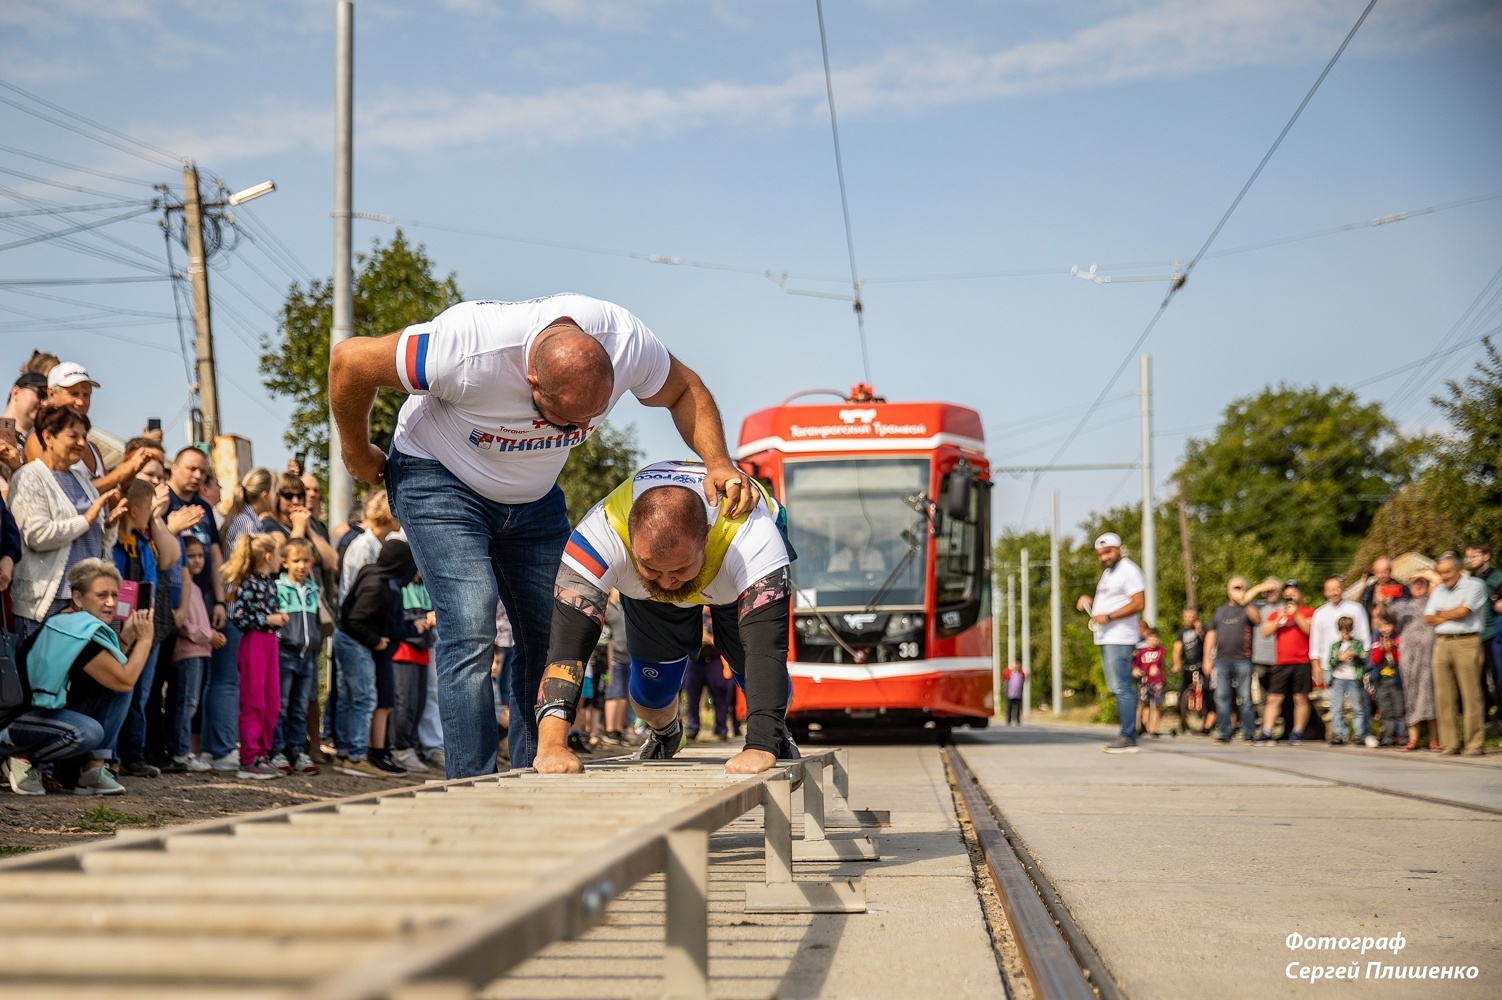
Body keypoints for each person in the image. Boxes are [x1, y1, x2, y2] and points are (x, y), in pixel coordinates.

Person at [329, 294, 756, 778]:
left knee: (550, 634)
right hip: (439, 479)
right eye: (566, 419)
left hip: (533, 499)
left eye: (589, 419)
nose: (578, 431)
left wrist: (718, 461)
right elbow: (351, 360)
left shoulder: (626, 340)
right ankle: (474, 785)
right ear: (531, 379)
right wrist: (357, 451)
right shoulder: (466, 348)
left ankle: (539, 769)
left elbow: (685, 389)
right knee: (472, 622)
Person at [532, 460, 793, 776]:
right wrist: (551, 746)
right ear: (628, 541)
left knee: (756, 675)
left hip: (731, 573)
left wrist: (762, 745)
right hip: (648, 594)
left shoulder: (753, 535)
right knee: (650, 697)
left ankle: (775, 728)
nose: (669, 583)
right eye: (652, 568)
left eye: (680, 569)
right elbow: (567, 647)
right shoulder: (599, 533)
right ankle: (667, 731)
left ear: (707, 536)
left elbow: (767, 651)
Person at [0, 559, 154, 796]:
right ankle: (21, 760)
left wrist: (129, 637)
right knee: (88, 730)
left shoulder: (78, 623)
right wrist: (145, 640)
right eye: (102, 595)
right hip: (14, 725)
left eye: (115, 594)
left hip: (45, 719)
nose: (111, 602)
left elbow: (111, 676)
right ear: (78, 598)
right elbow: (125, 678)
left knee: (117, 692)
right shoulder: (74, 630)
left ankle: (92, 771)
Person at [8, 404, 125, 638]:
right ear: (48, 437)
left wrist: (109, 525)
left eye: (84, 436)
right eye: (73, 436)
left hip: (85, 600)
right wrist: (87, 518)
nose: (82, 443)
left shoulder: (82, 479)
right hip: (49, 602)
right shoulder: (29, 477)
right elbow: (37, 536)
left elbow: (99, 540)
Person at [334, 537, 426, 777]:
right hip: (359, 644)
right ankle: (358, 756)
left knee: (351, 698)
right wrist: (375, 640)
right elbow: (354, 619)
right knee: (365, 698)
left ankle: (347, 752)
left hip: (355, 642)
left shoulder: (374, 574)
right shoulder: (379, 586)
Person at [111, 478, 184, 777]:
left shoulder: (144, 544)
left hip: (143, 625)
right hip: (115, 625)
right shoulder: (110, 542)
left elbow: (154, 577)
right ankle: (109, 754)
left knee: (140, 693)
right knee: (114, 690)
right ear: (134, 509)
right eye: (149, 508)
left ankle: (134, 754)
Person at [22, 363, 152, 493]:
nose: (81, 402)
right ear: (51, 394)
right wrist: (118, 474)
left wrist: (125, 482)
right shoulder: (39, 441)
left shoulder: (92, 449)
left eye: (86, 395)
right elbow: (59, 493)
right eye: (74, 394)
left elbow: (108, 501)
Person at [1075, 532, 1146, 753]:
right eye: (1100, 554)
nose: (1104, 557)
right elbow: (1111, 600)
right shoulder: (1109, 574)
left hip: (1120, 638)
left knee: (1122, 687)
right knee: (1117, 688)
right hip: (1107, 638)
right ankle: (1127, 733)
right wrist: (1091, 602)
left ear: (1119, 548)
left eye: (1108, 551)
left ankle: (1128, 736)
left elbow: (1138, 603)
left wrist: (1109, 617)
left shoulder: (1128, 570)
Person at [224, 533, 286, 780]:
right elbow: (239, 617)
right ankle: (248, 759)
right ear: (269, 556)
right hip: (253, 643)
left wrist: (276, 618)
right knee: (254, 702)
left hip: (270, 643)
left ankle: (262, 754)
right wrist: (268, 619)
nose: (281, 559)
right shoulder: (249, 583)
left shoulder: (270, 582)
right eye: (280, 555)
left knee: (272, 702)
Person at [1420, 556, 1487, 756]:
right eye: (1441, 573)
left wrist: (1443, 613)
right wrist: (1451, 612)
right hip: (1442, 642)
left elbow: (1464, 612)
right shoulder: (1438, 590)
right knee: (1443, 695)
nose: (1444, 577)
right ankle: (1450, 743)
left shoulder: (1475, 585)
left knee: (1471, 694)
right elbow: (1428, 617)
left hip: (1467, 641)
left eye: (1448, 572)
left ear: (1458, 569)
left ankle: (1474, 743)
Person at [168, 535, 221, 771]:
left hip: (200, 651)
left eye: (201, 555)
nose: (197, 560)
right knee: (186, 703)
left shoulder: (197, 587)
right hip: (188, 652)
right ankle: (180, 751)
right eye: (192, 556)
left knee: (191, 702)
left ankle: (182, 750)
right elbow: (184, 625)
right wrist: (209, 635)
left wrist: (210, 635)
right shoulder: (182, 585)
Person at [272, 537, 322, 776]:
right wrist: (281, 638)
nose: (301, 565)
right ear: (284, 562)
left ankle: (297, 749)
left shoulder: (313, 590)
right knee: (281, 705)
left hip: (307, 656)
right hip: (285, 655)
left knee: (300, 707)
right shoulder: (278, 588)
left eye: (306, 561)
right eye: (296, 560)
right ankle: (277, 750)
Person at [1204, 577, 1269, 743]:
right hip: (1222, 660)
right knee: (1222, 697)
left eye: (1241, 588)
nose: (1238, 591)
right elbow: (1212, 634)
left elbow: (1258, 620)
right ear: (1228, 590)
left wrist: (1245, 602)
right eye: (1235, 587)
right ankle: (1225, 732)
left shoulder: (1248, 609)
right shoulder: (1220, 610)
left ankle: (1248, 732)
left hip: (1243, 660)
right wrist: (1207, 658)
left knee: (1245, 698)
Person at [1254, 581, 1314, 745]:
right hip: (1281, 662)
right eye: (1287, 593)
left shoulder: (1308, 611)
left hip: (1302, 661)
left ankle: (1297, 731)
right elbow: (1265, 632)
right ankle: (1267, 731)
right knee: (1273, 698)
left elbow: (1309, 630)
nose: (1290, 596)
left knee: (1300, 698)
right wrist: (1278, 619)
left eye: (1294, 592)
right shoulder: (1276, 613)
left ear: (1300, 594)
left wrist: (1296, 615)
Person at [1387, 573, 1438, 752]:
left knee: (1431, 693)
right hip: (1409, 656)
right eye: (1414, 583)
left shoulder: (1435, 600)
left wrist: (1426, 575)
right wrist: (1380, 600)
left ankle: (1434, 739)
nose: (1418, 585)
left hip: (1430, 654)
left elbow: (1438, 583)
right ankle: (1413, 738)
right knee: (1411, 693)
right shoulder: (1401, 605)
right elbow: (1385, 618)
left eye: (1421, 582)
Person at [1308, 576, 1370, 701]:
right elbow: (1315, 642)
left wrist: (1362, 657)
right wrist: (1316, 665)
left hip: (1354, 666)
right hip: (1330, 667)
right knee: (1336, 707)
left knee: (1358, 705)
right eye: (1330, 590)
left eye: (1336, 589)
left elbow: (1365, 638)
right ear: (1325, 592)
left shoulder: (1356, 609)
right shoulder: (1320, 613)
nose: (1333, 593)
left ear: (1342, 589)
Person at [1462, 542, 1502, 723]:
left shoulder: (1497, 578)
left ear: (1486, 556)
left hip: (1492, 633)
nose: (1469, 560)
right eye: (1468, 557)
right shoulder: (1466, 580)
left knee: (1496, 674)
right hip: (1472, 634)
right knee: (1475, 677)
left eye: (1474, 556)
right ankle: (1483, 715)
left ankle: (1499, 714)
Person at [681, 610, 735, 741]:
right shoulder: (692, 615)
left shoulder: (719, 617)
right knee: (692, 696)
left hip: (714, 659)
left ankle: (721, 729)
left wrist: (709, 639)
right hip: (695, 660)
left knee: (720, 694)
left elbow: (726, 639)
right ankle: (692, 728)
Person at [1326, 616, 1373, 748]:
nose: (1344, 635)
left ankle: (1359, 734)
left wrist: (1356, 655)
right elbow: (1330, 662)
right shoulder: (1336, 645)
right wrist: (1340, 658)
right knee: (1337, 707)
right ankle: (1340, 734)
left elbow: (1365, 658)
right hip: (1338, 678)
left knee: (1357, 707)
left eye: (1347, 631)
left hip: (1353, 678)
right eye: (1342, 632)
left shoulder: (1357, 644)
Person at [600, 589, 633, 745]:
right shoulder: (606, 608)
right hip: (614, 658)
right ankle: (610, 729)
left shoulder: (624, 607)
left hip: (628, 657)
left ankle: (619, 730)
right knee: (614, 693)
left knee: (622, 696)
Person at [1368, 616, 1404, 747]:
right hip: (1382, 680)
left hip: (1396, 680)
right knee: (1386, 710)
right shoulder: (1377, 640)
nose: (1384, 629)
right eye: (1382, 626)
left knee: (1399, 709)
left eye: (1387, 626)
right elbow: (1374, 660)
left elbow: (1400, 659)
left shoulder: (1398, 639)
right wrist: (1382, 649)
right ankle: (1388, 736)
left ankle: (1402, 736)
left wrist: (1391, 649)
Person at [1171, 607, 1204, 734]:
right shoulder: (1181, 632)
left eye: (1192, 616)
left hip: (1201, 665)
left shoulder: (1202, 629)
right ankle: (1183, 722)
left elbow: (1208, 641)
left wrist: (1199, 630)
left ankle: (1206, 719)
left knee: (1206, 690)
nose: (1190, 619)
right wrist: (1176, 663)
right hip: (1188, 666)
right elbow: (1177, 648)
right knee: (1182, 693)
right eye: (1187, 617)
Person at [1131, 628, 1167, 738]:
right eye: (1150, 639)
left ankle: (1154, 729)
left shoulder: (1160, 650)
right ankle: (1144, 726)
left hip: (1157, 681)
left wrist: (1155, 668)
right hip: (1144, 681)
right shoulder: (1142, 652)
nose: (1153, 641)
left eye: (1155, 639)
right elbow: (1136, 664)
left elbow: (1158, 661)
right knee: (1143, 704)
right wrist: (1136, 670)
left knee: (1156, 704)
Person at [1359, 556, 1409, 621]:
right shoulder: (1368, 591)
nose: (1381, 575)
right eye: (1377, 572)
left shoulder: (1402, 589)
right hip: (1373, 629)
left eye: (1385, 572)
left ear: (1390, 571)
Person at [1003, 660, 1026, 725]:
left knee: (1018, 708)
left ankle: (1017, 720)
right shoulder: (1009, 673)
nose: (1016, 667)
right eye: (1014, 666)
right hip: (1010, 693)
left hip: (1018, 693)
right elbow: (1004, 675)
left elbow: (1024, 679)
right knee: (1009, 707)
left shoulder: (1021, 673)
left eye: (1017, 666)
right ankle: (1008, 720)